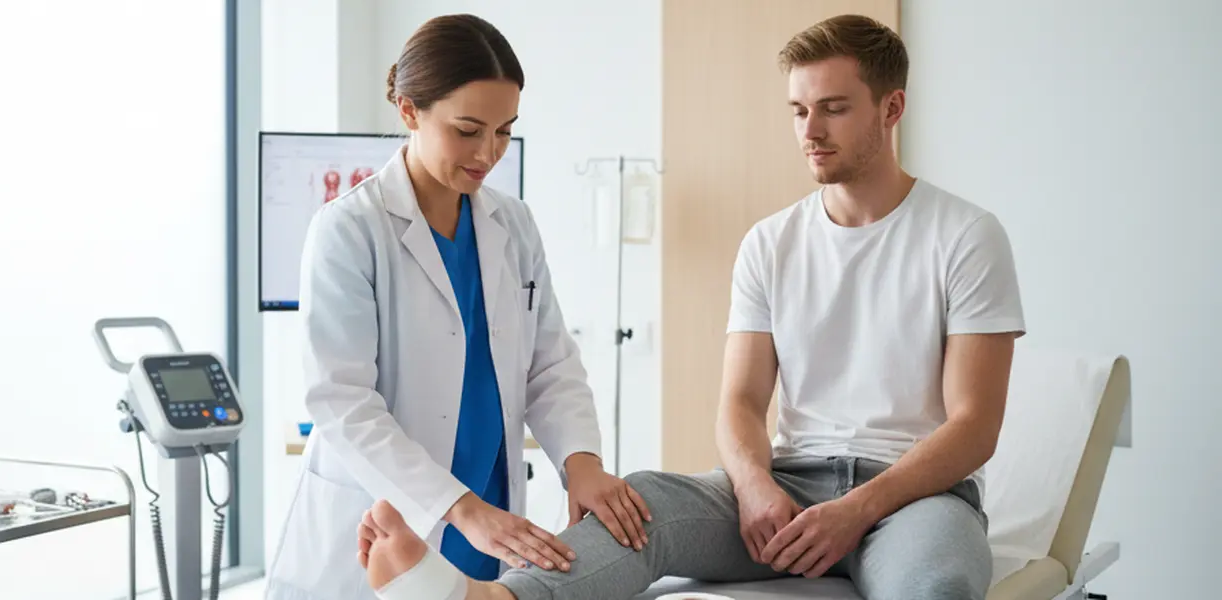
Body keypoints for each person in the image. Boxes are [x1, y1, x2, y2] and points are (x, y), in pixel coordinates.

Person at [354, 13, 1026, 600]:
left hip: (912, 500)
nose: (811, 130)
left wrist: (857, 510)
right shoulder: (770, 243)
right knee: (638, 503)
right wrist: (754, 485)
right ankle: (497, 599)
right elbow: (741, 402)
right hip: (791, 485)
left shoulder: (964, 235)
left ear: (892, 107)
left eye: (834, 108)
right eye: (798, 110)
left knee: (937, 585)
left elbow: (974, 425)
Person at [264, 13, 651, 600]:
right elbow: (343, 401)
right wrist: (460, 508)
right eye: (468, 130)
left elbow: (550, 363)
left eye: (503, 131)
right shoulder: (349, 229)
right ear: (409, 110)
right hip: (394, 516)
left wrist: (582, 465)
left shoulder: (512, 223)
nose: (488, 152)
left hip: (488, 513)